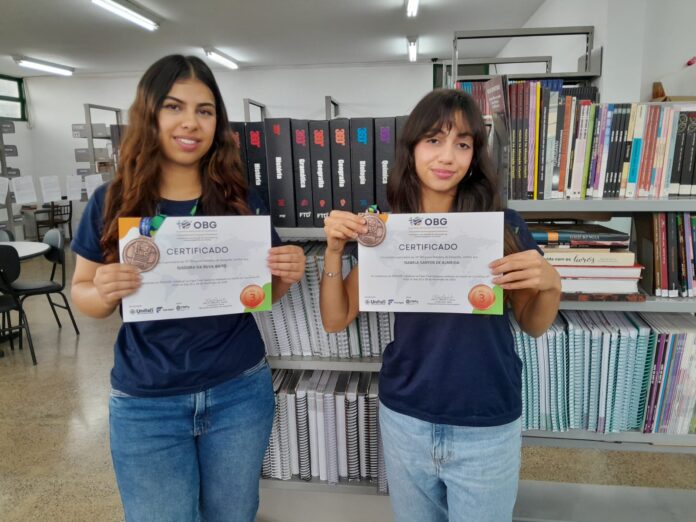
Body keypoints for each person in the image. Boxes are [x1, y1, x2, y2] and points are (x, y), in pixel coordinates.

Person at [71, 55, 305, 522]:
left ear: (218, 123)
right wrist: (104, 289)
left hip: (239, 390)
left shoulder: (240, 200)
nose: (190, 123)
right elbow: (83, 295)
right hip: (147, 401)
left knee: (234, 514)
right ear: (149, 114)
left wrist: (285, 273)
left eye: (205, 110)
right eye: (174, 107)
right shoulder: (112, 200)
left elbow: (262, 295)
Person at [320, 89, 561, 522]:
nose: (448, 156)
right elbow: (336, 319)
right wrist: (335, 252)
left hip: (486, 420)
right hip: (407, 417)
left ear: (475, 155)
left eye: (462, 144)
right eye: (434, 140)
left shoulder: (502, 226)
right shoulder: (385, 229)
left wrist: (551, 284)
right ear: (411, 148)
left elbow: (534, 324)